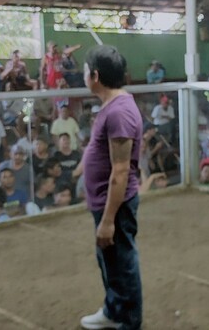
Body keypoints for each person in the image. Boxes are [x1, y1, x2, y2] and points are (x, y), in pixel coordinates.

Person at [78, 45, 143, 330]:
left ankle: (129, 322)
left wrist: (107, 221)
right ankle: (113, 310)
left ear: (95, 75)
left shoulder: (119, 111)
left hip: (114, 205)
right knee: (110, 261)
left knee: (122, 262)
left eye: (84, 70)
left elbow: (121, 169)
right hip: (104, 201)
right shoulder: (112, 106)